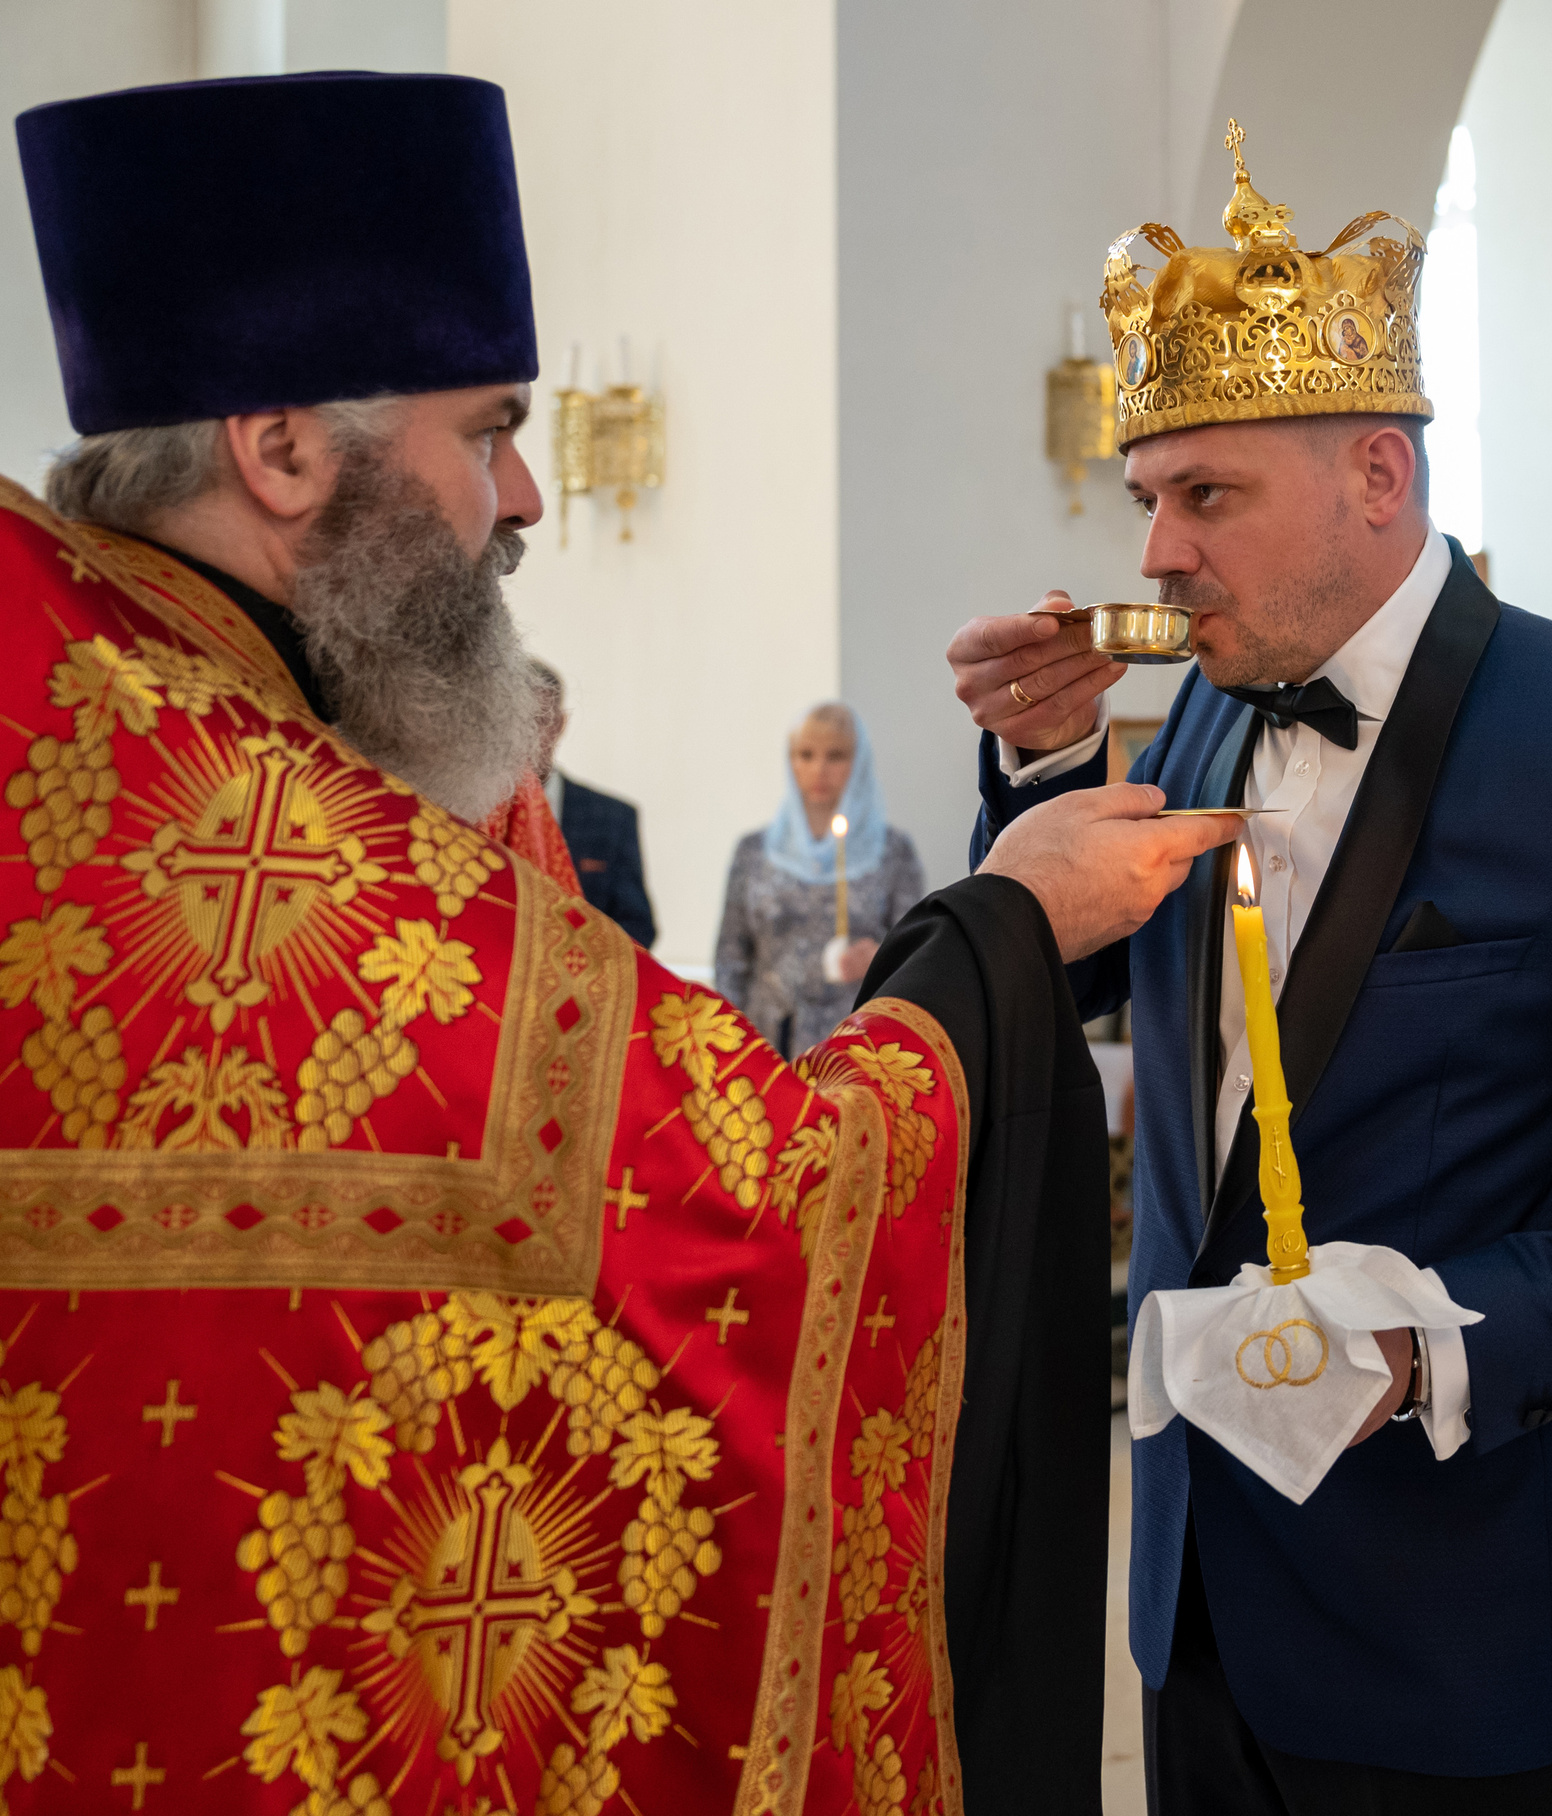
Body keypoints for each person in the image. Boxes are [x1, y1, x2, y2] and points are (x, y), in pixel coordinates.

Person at [0, 71, 1231, 1815]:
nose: (525, 497)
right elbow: (741, 1208)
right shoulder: (250, 837)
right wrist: (1013, 922)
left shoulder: (121, 716)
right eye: (489, 426)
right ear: (279, 447)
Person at [953, 123, 1552, 1811]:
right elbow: (1149, 1012)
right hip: (1196, 1593)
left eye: (1208, 498)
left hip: (1471, 1622)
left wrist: (1438, 1351)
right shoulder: (1203, 698)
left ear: (1377, 477)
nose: (1157, 555)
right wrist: (1048, 779)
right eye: (1148, 501)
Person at [715, 701, 925, 1056]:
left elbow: (918, 954)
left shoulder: (893, 851)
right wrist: (726, 1048)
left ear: (858, 763)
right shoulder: (753, 851)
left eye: (836, 756)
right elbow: (731, 960)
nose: (819, 770)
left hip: (857, 1045)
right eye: (806, 755)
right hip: (765, 1043)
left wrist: (878, 957)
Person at [530, 657, 660, 947]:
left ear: (560, 725)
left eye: (539, 720)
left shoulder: (612, 819)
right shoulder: (472, 812)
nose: (527, 736)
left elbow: (637, 926)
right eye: (515, 721)